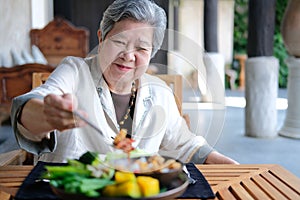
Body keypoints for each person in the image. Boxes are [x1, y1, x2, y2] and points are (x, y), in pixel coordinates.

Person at [11, 0, 238, 164]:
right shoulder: (74, 71)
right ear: (101, 38)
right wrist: (46, 114)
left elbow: (185, 144)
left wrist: (224, 163)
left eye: (141, 48)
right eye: (119, 42)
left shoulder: (159, 92)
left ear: (152, 53)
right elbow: (30, 107)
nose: (129, 55)